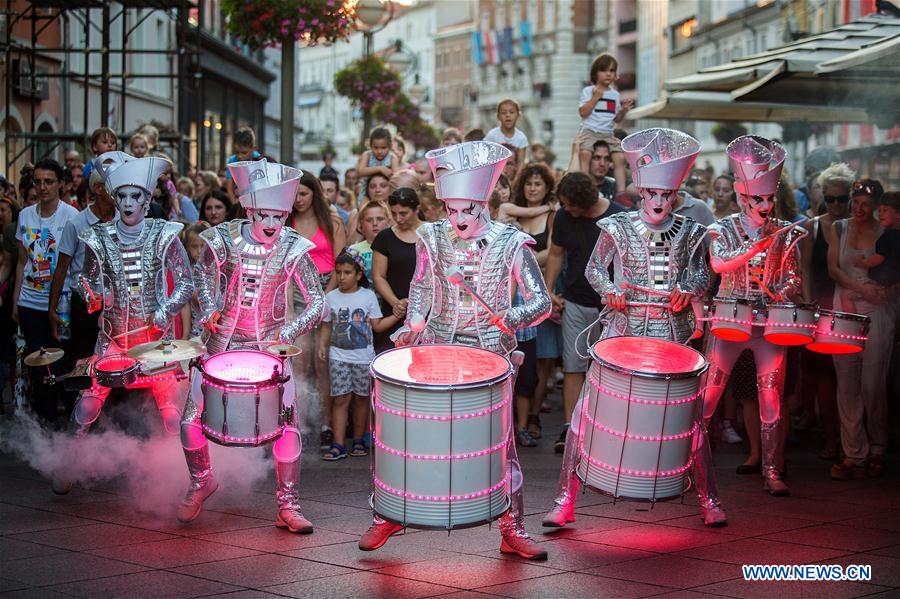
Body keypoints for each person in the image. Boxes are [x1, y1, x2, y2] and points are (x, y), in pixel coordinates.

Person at [358, 141, 552, 560]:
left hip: (492, 358)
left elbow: (542, 302)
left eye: (469, 209)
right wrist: (414, 326)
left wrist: (513, 317)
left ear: (484, 201)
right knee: (414, 437)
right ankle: (391, 513)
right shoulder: (431, 236)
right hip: (438, 351)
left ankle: (512, 527)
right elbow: (423, 286)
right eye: (452, 210)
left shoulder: (511, 242)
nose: (459, 219)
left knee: (501, 446)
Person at [545, 127, 713, 527]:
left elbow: (702, 276)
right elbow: (592, 270)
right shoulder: (617, 227)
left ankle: (709, 499)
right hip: (621, 332)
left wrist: (685, 289)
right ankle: (565, 498)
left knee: (691, 419)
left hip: (670, 335)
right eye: (651, 194)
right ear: (641, 191)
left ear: (675, 194)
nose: (658, 201)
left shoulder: (690, 232)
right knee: (585, 415)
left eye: (666, 195)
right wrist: (611, 292)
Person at [177, 158, 326, 531]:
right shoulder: (222, 238)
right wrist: (209, 309)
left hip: (271, 351)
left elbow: (318, 302)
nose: (273, 225)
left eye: (280, 216)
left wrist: (288, 334)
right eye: (265, 216)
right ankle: (201, 480)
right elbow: (202, 279)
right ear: (248, 208)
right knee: (190, 422)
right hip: (220, 345)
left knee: (288, 427)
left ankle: (287, 505)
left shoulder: (293, 247)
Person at [51, 152, 193, 495]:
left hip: (155, 338)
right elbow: (84, 282)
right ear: (113, 198)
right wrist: (96, 296)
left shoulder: (165, 234)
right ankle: (67, 466)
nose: (128, 203)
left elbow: (185, 282)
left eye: (136, 196)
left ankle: (185, 474)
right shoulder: (97, 238)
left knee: (171, 410)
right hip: (113, 336)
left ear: (148, 199)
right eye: (122, 196)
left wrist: (166, 307)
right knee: (88, 402)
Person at [702, 136, 802, 499]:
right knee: (709, 396)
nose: (765, 204)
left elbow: (794, 277)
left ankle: (773, 470)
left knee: (771, 398)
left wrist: (783, 289)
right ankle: (687, 467)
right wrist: (754, 247)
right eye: (758, 198)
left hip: (768, 326)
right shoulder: (722, 228)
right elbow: (718, 263)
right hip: (729, 321)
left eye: (769, 198)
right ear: (743, 197)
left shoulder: (784, 231)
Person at [544, 172, 625, 453]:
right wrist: (550, 289)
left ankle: (605, 429)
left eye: (569, 204)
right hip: (576, 300)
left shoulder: (618, 217)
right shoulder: (566, 217)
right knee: (573, 366)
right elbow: (556, 252)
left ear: (584, 201)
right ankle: (570, 428)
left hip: (611, 306)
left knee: (609, 370)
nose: (566, 209)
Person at [826, 176, 894, 480]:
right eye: (856, 203)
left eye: (866, 204)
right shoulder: (839, 228)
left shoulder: (888, 233)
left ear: (878, 207)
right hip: (844, 310)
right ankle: (854, 451)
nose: (858, 208)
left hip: (876, 310)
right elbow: (833, 268)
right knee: (847, 382)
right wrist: (856, 287)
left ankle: (878, 446)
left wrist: (881, 292)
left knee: (872, 384)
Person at [12, 159, 79, 426]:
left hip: (61, 303)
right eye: (37, 182)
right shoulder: (25, 215)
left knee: (64, 360)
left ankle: (73, 421)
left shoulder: (71, 216)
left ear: (61, 184)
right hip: (30, 301)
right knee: (38, 363)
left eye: (48, 181)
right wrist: (16, 299)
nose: (42, 187)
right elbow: (21, 260)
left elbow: (76, 262)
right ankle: (46, 421)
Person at [318, 250, 398, 460]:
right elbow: (327, 325)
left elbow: (377, 326)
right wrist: (321, 345)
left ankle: (360, 439)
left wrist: (397, 315)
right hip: (338, 357)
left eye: (347, 273)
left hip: (363, 357)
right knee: (340, 399)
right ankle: (338, 443)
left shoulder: (368, 296)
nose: (342, 277)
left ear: (359, 274)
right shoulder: (331, 298)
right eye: (339, 273)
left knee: (362, 399)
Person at [797, 163, 852, 462]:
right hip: (820, 306)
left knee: (849, 380)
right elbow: (805, 269)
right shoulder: (812, 226)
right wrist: (807, 303)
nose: (836, 205)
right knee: (824, 379)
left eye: (842, 199)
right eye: (830, 199)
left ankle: (850, 440)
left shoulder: (856, 226)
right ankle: (832, 440)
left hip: (850, 307)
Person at [290, 171, 345, 449]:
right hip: (297, 291)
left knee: (322, 362)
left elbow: (341, 264)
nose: (299, 200)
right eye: (295, 194)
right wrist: (289, 305)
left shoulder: (331, 221)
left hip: (327, 288)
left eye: (304, 194)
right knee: (300, 361)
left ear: (315, 194)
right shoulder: (287, 223)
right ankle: (302, 421)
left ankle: (325, 423)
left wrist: (324, 298)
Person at [47, 159, 116, 379]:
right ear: (98, 188)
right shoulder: (76, 224)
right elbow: (61, 269)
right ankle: (81, 408)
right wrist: (53, 309)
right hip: (85, 304)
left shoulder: (123, 221)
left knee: (114, 358)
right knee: (83, 357)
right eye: (116, 185)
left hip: (117, 302)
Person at [511, 163, 558, 445]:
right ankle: (513, 426)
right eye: (529, 183)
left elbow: (551, 254)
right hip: (512, 302)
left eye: (538, 184)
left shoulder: (552, 217)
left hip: (544, 291)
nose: (532, 188)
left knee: (541, 362)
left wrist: (522, 260)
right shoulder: (511, 210)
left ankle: (530, 420)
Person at [371, 187, 421, 350]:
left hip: (424, 310)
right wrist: (396, 304)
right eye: (394, 213)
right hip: (394, 311)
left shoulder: (429, 233)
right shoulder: (385, 237)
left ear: (417, 210)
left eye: (403, 213)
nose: (398, 218)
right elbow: (378, 276)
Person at [577, 53, 633, 194]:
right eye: (604, 70)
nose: (608, 74)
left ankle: (621, 192)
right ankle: (585, 188)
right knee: (585, 153)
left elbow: (616, 119)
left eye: (612, 70)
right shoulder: (588, 91)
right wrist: (595, 98)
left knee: (619, 157)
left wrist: (623, 111)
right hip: (590, 130)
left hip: (608, 133)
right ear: (596, 73)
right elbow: (583, 112)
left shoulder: (614, 94)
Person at [349, 200, 390, 285]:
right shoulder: (353, 250)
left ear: (388, 223)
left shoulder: (396, 247)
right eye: (369, 220)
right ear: (361, 225)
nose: (375, 223)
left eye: (380, 219)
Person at [356, 128, 399, 203]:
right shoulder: (367, 155)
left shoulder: (392, 158)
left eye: (383, 148)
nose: (379, 151)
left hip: (385, 192)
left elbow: (395, 178)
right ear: (370, 145)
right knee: (364, 210)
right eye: (375, 147)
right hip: (366, 190)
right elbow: (361, 171)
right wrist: (380, 169)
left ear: (390, 146)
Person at [485, 99, 529, 165]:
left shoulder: (521, 138)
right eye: (503, 113)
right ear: (498, 116)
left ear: (518, 115)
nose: (508, 115)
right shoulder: (492, 136)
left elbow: (521, 162)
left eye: (511, 112)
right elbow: (487, 159)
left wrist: (516, 175)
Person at [225, 127, 261, 203]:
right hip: (237, 198)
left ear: (254, 148)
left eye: (244, 152)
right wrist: (234, 204)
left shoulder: (259, 160)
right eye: (237, 152)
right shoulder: (232, 160)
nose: (240, 156)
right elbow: (229, 188)